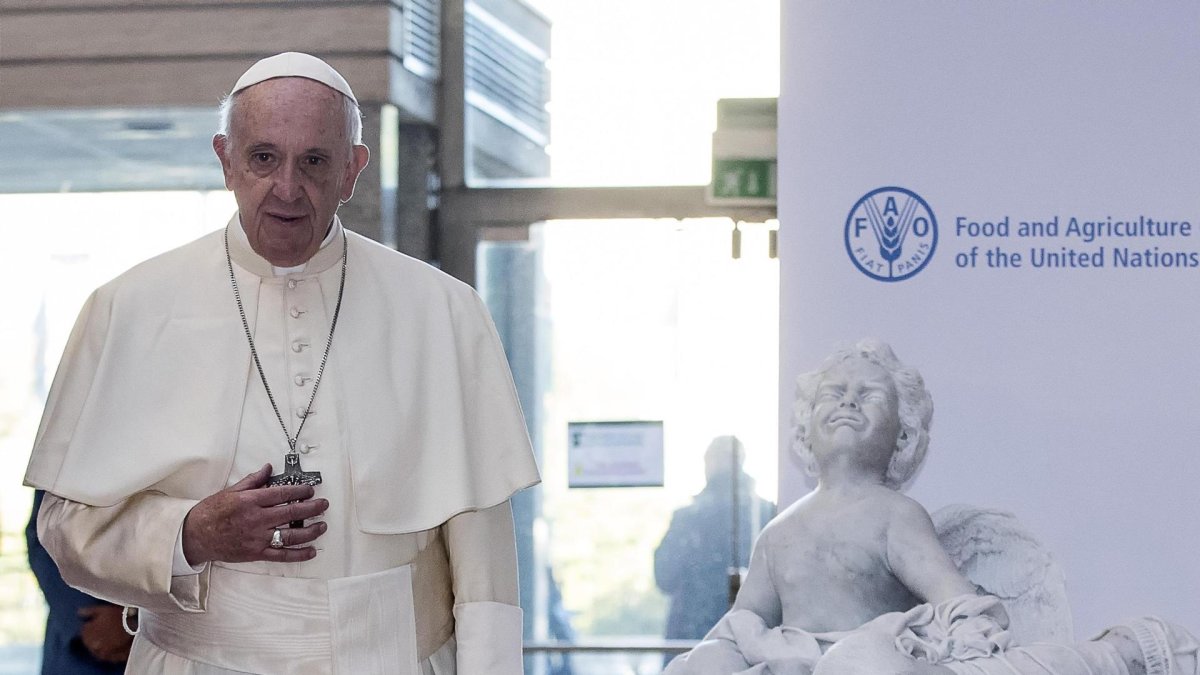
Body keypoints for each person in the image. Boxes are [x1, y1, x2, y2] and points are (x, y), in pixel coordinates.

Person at [24, 52, 540, 674]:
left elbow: (486, 573)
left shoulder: (443, 311)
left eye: (315, 161)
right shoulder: (128, 307)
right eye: (263, 158)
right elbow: (64, 530)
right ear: (225, 160)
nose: (288, 189)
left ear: (353, 170)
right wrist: (187, 534)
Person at [664, 339, 1198, 675]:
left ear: (903, 436)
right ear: (804, 425)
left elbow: (954, 597)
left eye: (869, 395)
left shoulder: (892, 514)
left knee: (857, 664)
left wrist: (973, 644)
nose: (848, 401)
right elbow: (744, 621)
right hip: (794, 663)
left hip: (875, 661)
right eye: (834, 393)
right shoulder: (778, 531)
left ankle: (1128, 653)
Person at [655, 436, 775, 645]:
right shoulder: (767, 515)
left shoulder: (689, 519)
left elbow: (664, 576)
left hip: (691, 639)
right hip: (750, 639)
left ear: (709, 465)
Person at [26, 489, 130, 673]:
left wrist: (134, 617)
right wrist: (84, 620)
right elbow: (43, 535)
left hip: (163, 639)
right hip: (81, 644)